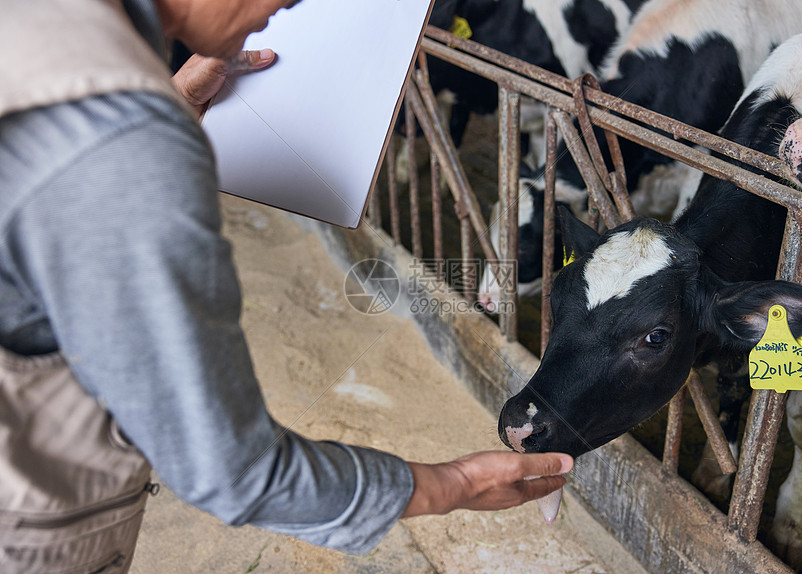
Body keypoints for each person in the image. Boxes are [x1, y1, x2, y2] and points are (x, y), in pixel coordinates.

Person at [0, 1, 573, 572]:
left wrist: (169, 107)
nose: (294, 6)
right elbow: (235, 471)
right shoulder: (122, 135)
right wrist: (455, 483)